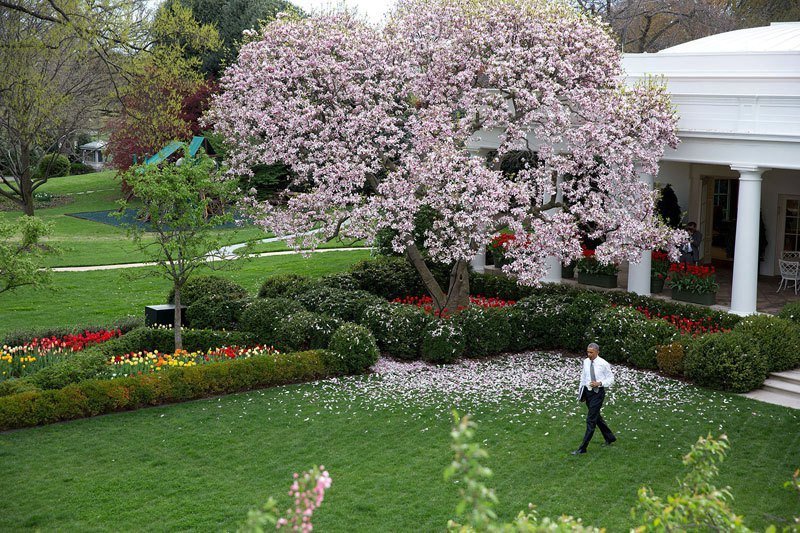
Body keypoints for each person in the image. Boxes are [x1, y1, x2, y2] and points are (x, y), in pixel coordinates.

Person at [572, 343, 616, 455]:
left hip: (598, 394)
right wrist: (581, 394)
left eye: (591, 352)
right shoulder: (586, 362)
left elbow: (611, 379)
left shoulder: (603, 364)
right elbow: (583, 377)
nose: (589, 354)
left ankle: (583, 448)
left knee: (591, 420)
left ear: (597, 352)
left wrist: (600, 383)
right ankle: (610, 437)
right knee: (596, 417)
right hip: (588, 393)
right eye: (588, 352)